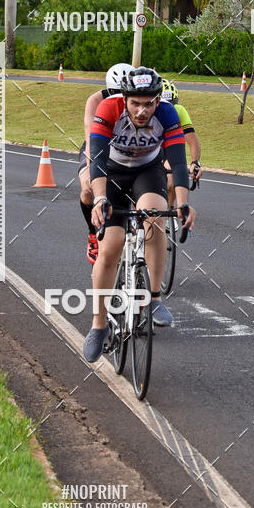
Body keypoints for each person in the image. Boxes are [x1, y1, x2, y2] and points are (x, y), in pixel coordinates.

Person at [82, 67, 196, 362]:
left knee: (156, 217)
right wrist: (101, 199)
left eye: (148, 104)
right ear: (125, 99)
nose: (142, 111)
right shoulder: (109, 108)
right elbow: (97, 158)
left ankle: (154, 298)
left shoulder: (168, 113)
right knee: (110, 246)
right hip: (112, 173)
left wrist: (183, 203)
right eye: (135, 103)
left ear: (158, 100)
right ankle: (99, 325)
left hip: (147, 171)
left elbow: (178, 162)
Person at [78, 63, 134, 265]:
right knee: (87, 188)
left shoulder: (138, 100)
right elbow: (91, 136)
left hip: (127, 146)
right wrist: (91, 169)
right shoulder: (95, 100)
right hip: (98, 143)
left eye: (123, 92)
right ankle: (93, 234)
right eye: (114, 92)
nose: (119, 97)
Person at [160, 78, 203, 207]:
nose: (167, 110)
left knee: (171, 173)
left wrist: (195, 162)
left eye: (171, 106)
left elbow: (192, 140)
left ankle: (170, 209)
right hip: (146, 148)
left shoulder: (179, 110)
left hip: (168, 148)